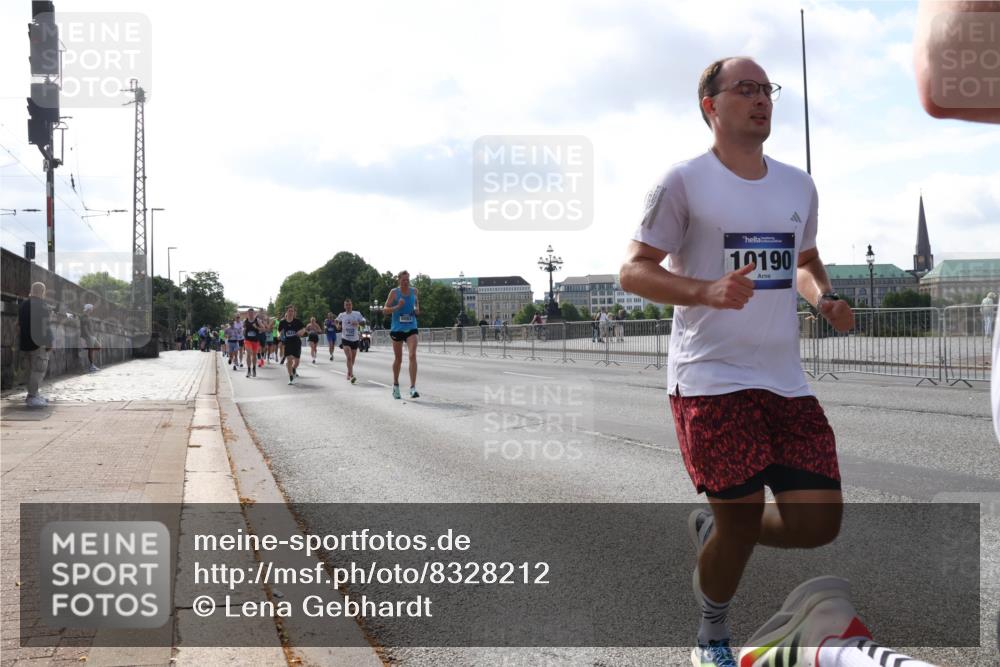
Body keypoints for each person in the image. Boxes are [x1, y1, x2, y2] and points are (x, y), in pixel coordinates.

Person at [619, 57, 855, 667]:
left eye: (767, 89)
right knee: (744, 519)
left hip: (785, 380)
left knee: (818, 524)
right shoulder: (683, 181)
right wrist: (704, 290)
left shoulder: (797, 185)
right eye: (745, 89)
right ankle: (711, 638)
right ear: (710, 106)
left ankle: (718, 528)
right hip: (710, 378)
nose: (761, 99)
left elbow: (805, 260)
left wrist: (823, 298)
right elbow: (633, 270)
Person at [386, 270, 420, 399]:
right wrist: (397, 307)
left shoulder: (414, 291)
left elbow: (417, 307)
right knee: (398, 359)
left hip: (411, 327)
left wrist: (416, 310)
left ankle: (413, 387)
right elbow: (385, 310)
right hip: (397, 328)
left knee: (412, 355)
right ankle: (395, 385)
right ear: (399, 280)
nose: (406, 282)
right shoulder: (394, 293)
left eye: (407, 279)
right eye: (403, 280)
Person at [18, 282, 53, 408]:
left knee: (29, 371)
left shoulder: (23, 305)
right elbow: (46, 326)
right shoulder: (43, 306)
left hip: (25, 342)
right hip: (39, 343)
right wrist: (50, 341)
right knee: (38, 370)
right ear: (42, 292)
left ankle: (33, 394)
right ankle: (32, 397)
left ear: (31, 291)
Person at [336, 299, 366, 383]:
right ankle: (352, 375)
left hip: (355, 339)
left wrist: (358, 323)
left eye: (349, 305)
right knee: (349, 357)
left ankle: (349, 372)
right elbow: (336, 321)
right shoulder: (342, 315)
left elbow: (364, 322)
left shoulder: (357, 314)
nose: (348, 306)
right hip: (345, 339)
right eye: (347, 305)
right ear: (344, 306)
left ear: (352, 305)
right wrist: (337, 325)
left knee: (352, 359)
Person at [278, 306, 306, 384]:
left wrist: (302, 332)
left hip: (296, 342)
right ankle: (290, 377)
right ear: (286, 312)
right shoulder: (282, 322)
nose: (290, 312)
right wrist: (279, 335)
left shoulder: (297, 321)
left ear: (294, 313)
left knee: (296, 362)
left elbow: (304, 328)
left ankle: (294, 369)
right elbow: (279, 330)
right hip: (287, 343)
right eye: (289, 311)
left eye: (292, 311)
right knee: (289, 359)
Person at [243, 308, 264, 378]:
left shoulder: (257, 320)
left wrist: (257, 328)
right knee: (249, 353)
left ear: (254, 313)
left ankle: (254, 369)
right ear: (247, 313)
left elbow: (263, 329)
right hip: (247, 340)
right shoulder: (245, 321)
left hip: (255, 340)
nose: (251, 314)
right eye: (249, 313)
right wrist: (244, 331)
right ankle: (248, 370)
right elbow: (243, 330)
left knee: (254, 355)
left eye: (252, 313)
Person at [79, 303, 101, 372]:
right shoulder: (84, 317)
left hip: (92, 336)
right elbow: (85, 328)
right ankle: (92, 366)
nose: (92, 310)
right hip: (88, 336)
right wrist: (89, 336)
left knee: (98, 347)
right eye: (91, 308)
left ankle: (86, 348)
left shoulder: (88, 316)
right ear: (89, 309)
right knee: (91, 350)